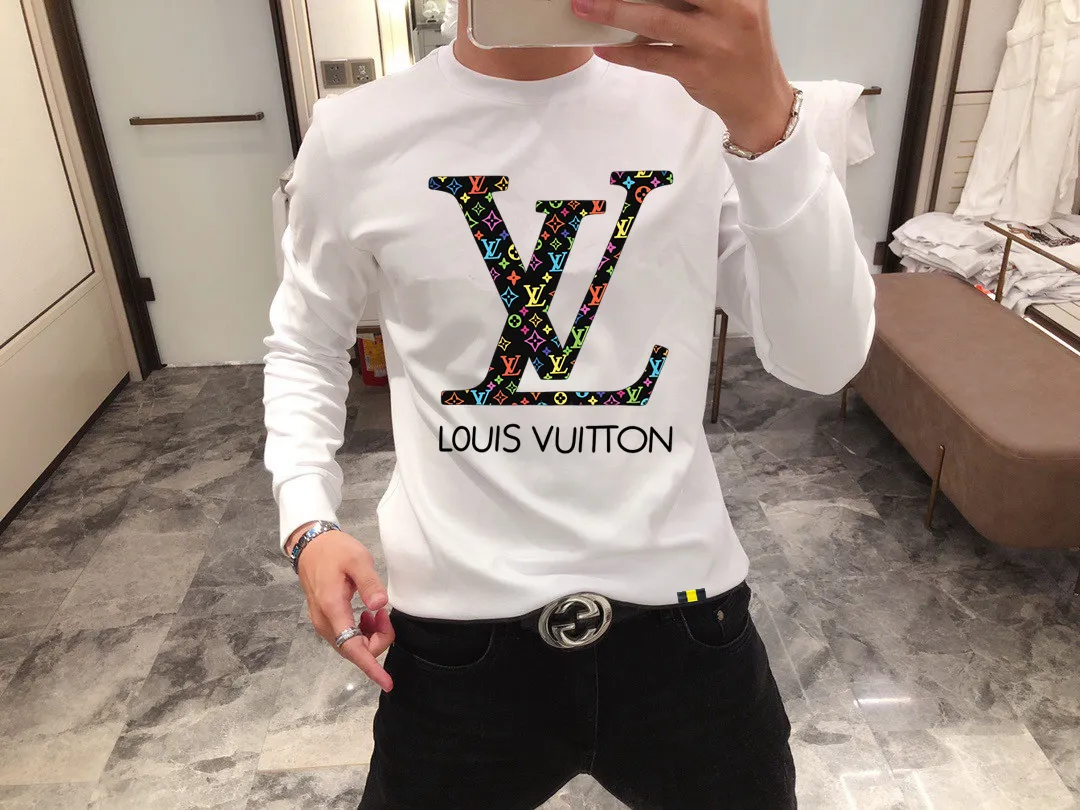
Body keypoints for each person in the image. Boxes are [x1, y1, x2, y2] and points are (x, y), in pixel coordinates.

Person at [263, 0, 875, 806]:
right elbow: (306, 342)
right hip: (455, 635)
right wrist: (307, 520)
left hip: (685, 617)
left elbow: (824, 359)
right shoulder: (355, 135)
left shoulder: (700, 110)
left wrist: (769, 122)